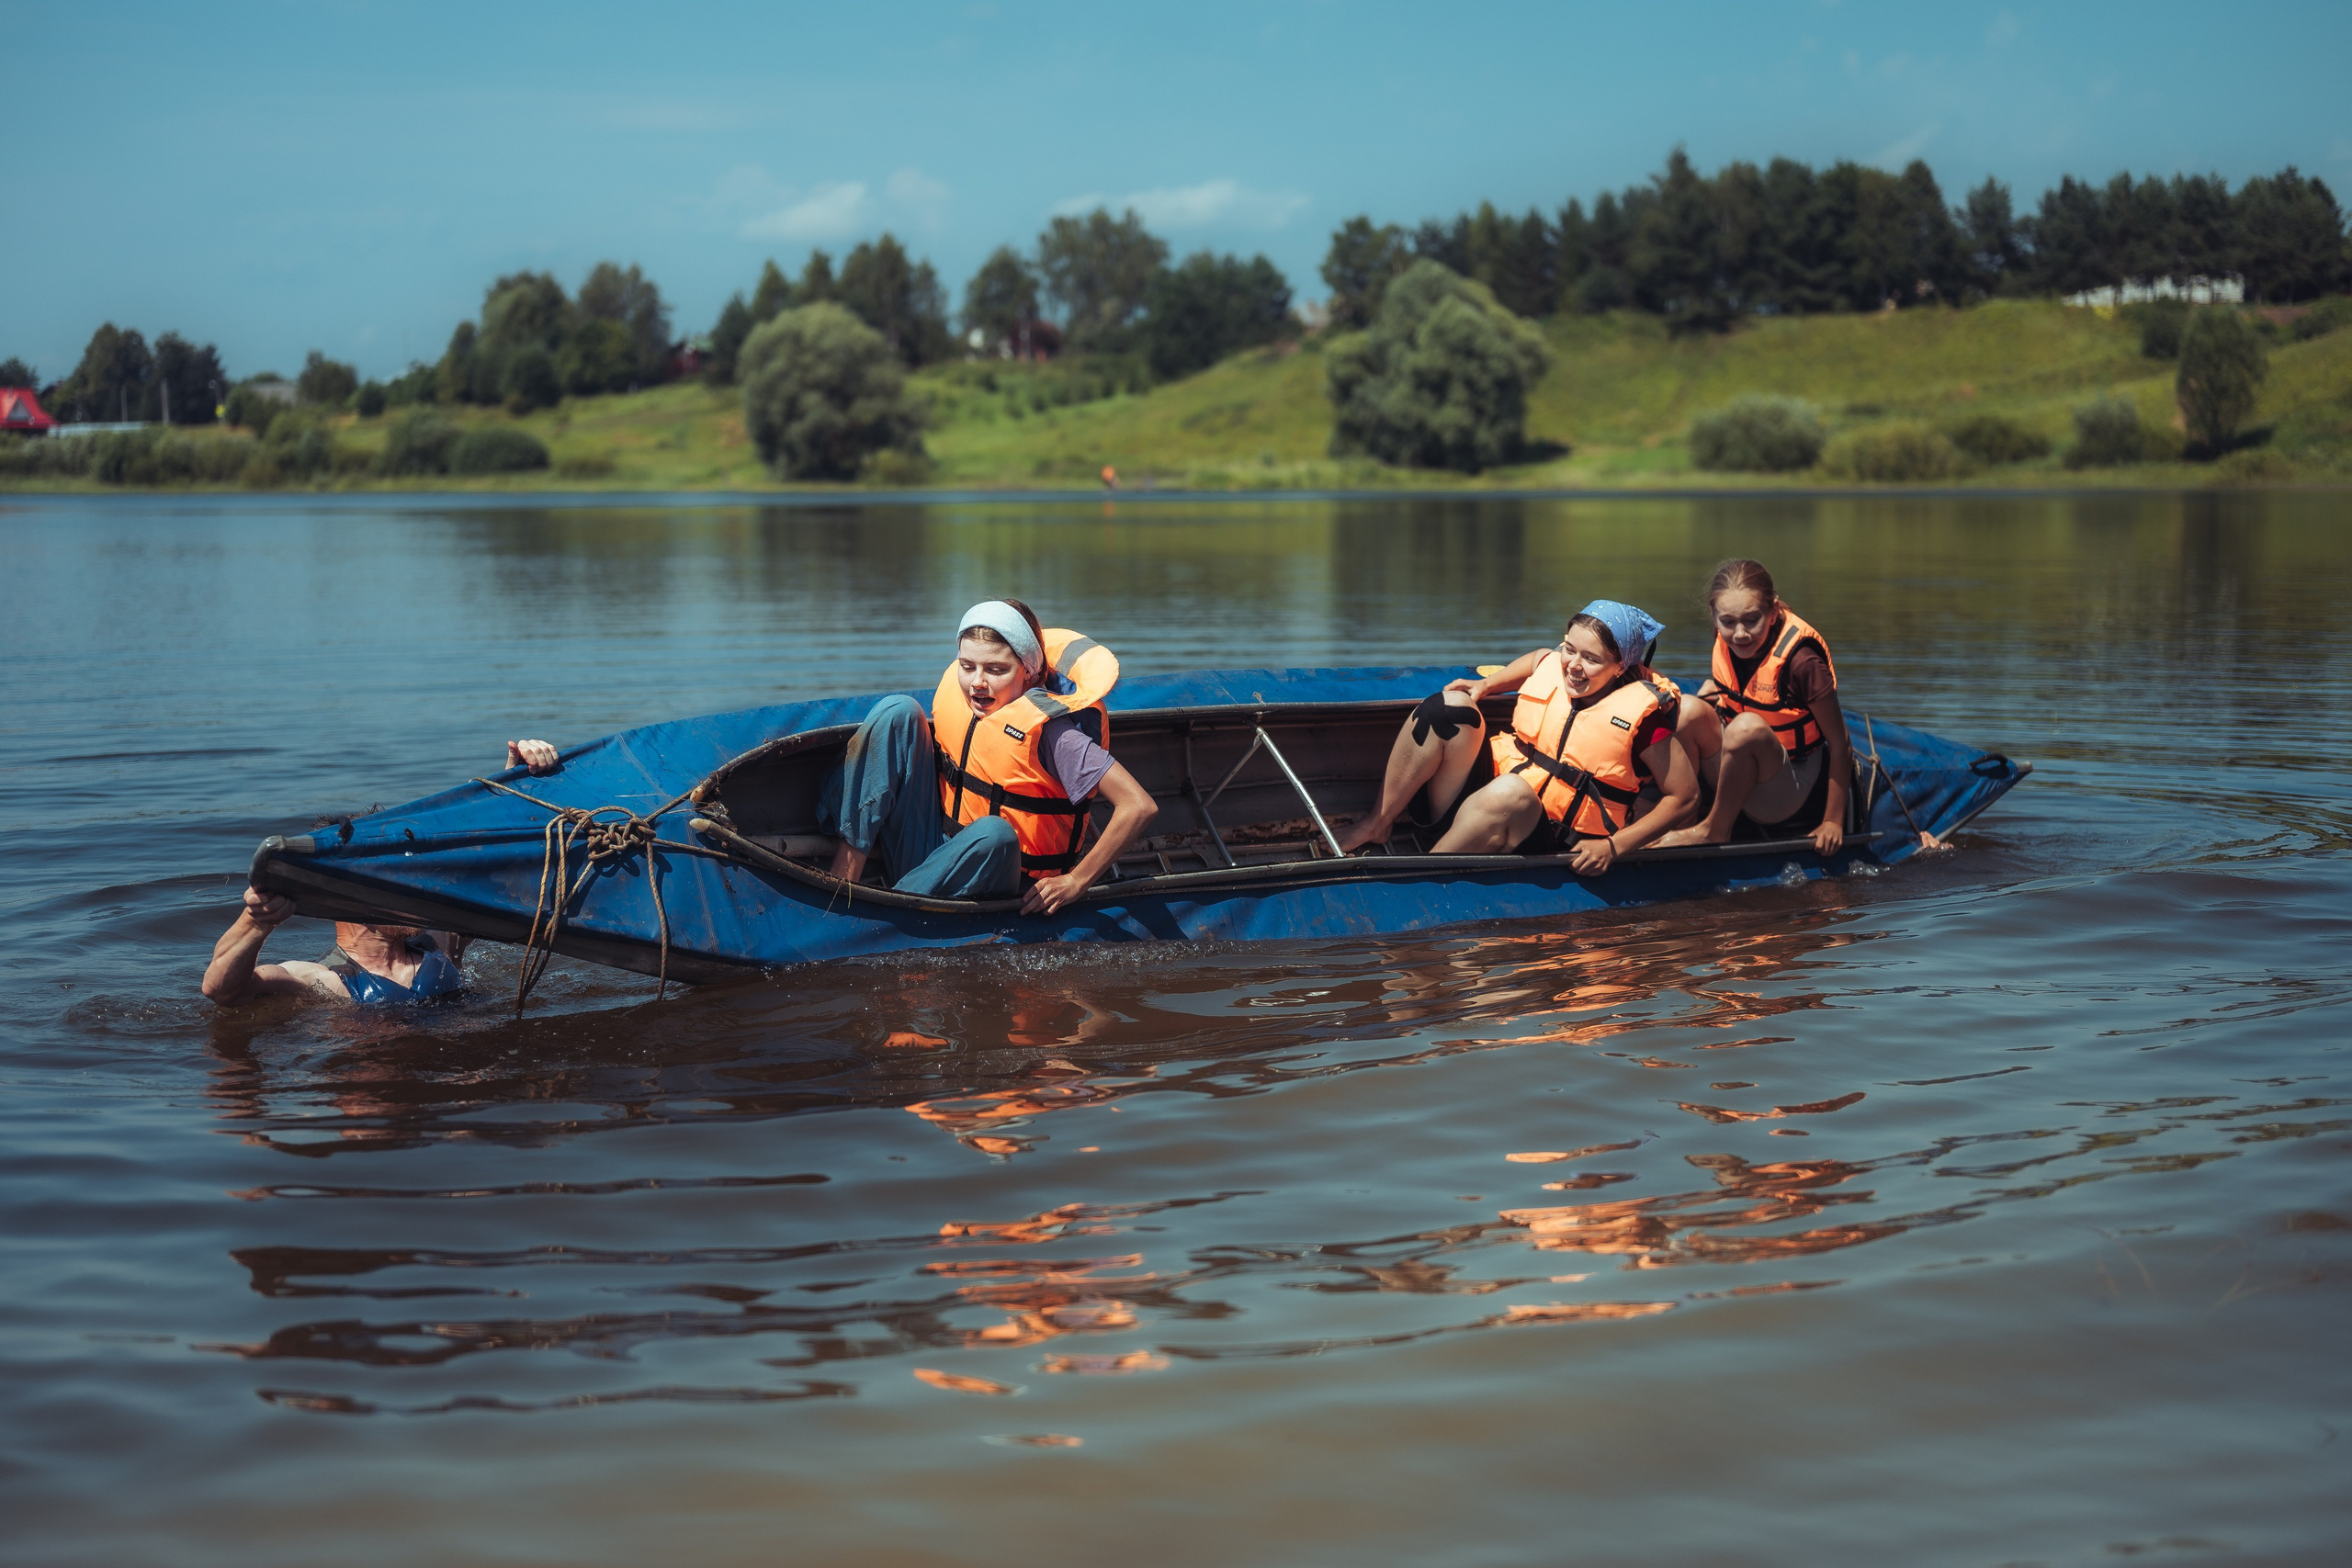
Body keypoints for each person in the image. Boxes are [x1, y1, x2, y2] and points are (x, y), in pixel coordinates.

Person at [820, 598, 1159, 914]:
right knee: (899, 710)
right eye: (967, 666)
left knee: (995, 835)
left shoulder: (1056, 735)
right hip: (934, 851)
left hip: (997, 877)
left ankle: (884, 915)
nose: (977, 683)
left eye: (996, 670)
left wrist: (1076, 881)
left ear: (1030, 672)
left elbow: (1138, 805)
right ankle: (844, 881)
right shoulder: (970, 698)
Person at [1334, 600, 1698, 874]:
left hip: (1552, 837)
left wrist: (1615, 847)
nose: (1573, 665)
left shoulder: (1646, 723)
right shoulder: (1556, 663)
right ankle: (1377, 824)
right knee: (1449, 708)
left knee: (1511, 791)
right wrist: (1487, 685)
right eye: (1569, 649)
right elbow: (1538, 658)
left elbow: (1684, 797)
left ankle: (1425, 875)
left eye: (1591, 659)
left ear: (1621, 666)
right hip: (1484, 804)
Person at [1656, 558, 1854, 854]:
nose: (1740, 633)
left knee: (1744, 728)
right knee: (1687, 710)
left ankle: (1715, 831)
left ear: (1773, 612)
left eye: (1752, 620)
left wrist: (1833, 821)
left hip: (1788, 782)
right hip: (1738, 766)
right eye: (1728, 621)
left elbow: (1841, 743)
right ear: (1714, 615)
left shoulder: (1803, 662)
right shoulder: (1729, 634)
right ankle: (1686, 818)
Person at [201, 886, 469, 1006]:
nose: (413, 893)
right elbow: (222, 991)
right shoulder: (323, 979)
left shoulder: (437, 941)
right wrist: (256, 921)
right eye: (393, 888)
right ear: (349, 902)